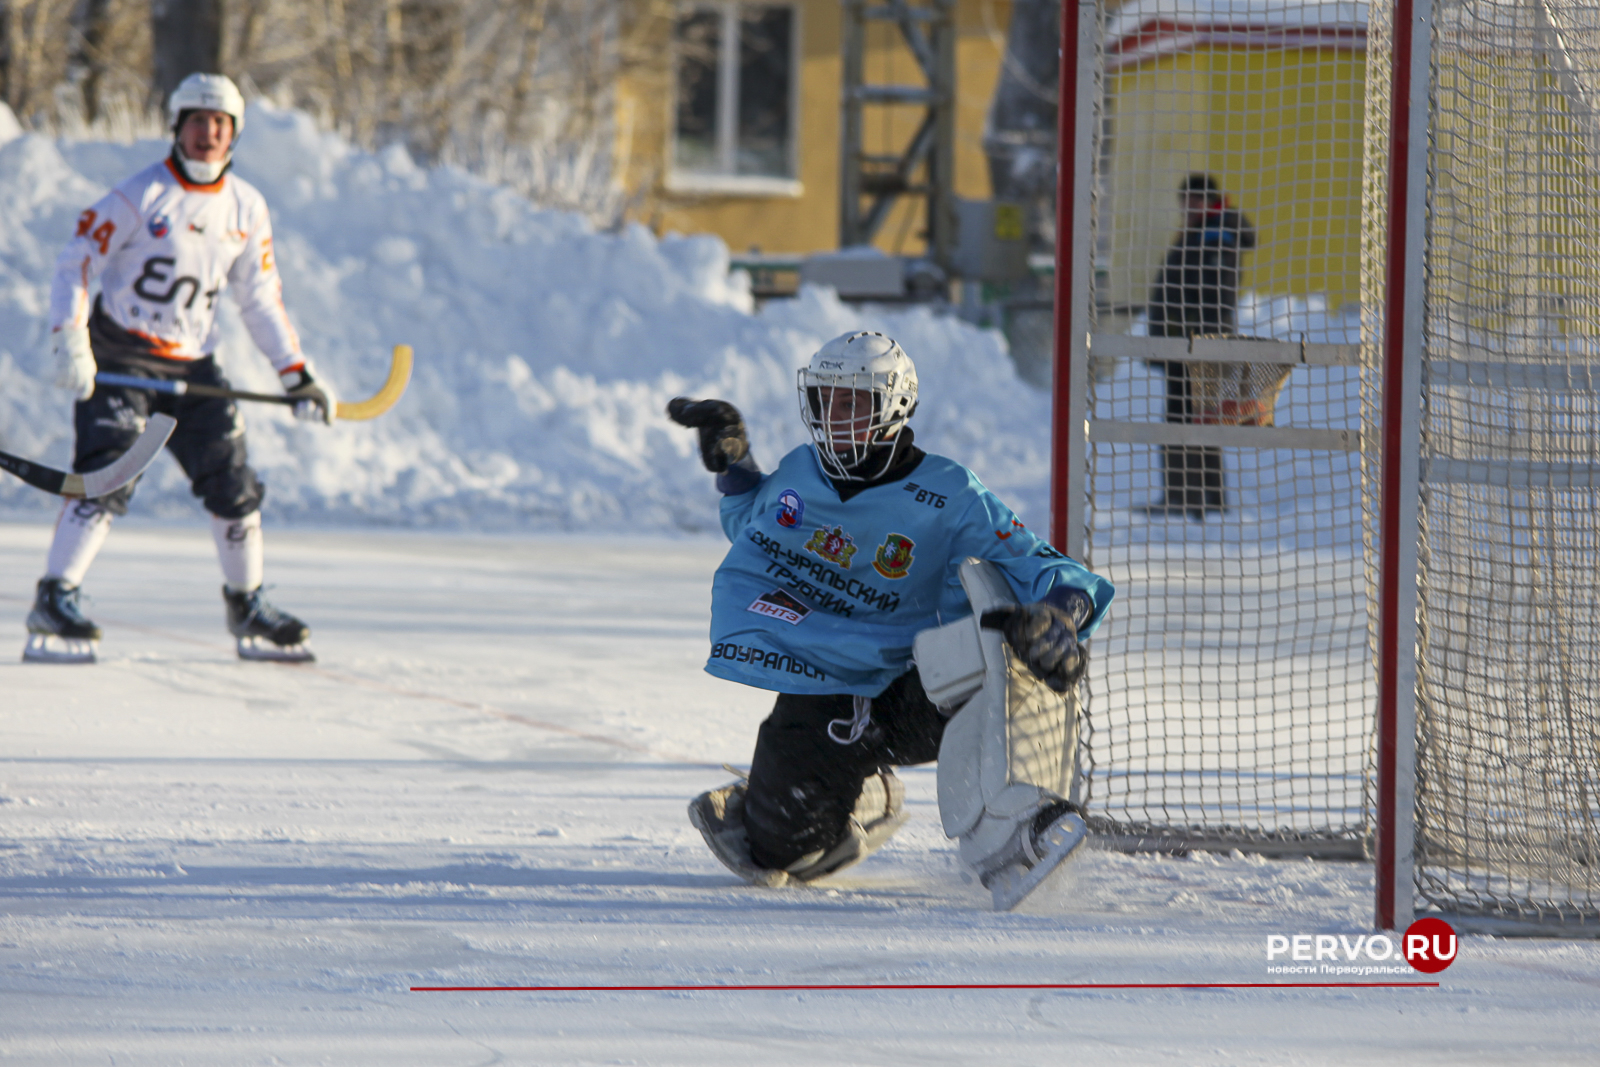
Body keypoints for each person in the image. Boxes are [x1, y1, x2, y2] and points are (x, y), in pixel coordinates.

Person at [668, 331, 1115, 909]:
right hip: (826, 686)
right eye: (828, 399)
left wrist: (1060, 617)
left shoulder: (950, 493)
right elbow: (754, 529)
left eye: (855, 401)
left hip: (918, 689)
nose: (837, 416)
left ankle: (1017, 827)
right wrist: (734, 463)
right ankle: (859, 798)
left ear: (895, 406)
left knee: (991, 646)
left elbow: (1042, 566)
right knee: (777, 852)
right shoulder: (800, 471)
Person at [24, 73, 335, 665]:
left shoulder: (246, 207)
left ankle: (247, 602)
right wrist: (71, 340)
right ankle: (55, 595)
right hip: (122, 359)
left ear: (235, 134)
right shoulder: (138, 198)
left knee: (233, 483)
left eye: (220, 125)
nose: (208, 134)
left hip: (195, 366)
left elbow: (259, 297)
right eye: (197, 121)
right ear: (176, 126)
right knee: (107, 475)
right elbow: (76, 264)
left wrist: (294, 374)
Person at [1145, 173, 1256, 518]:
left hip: (1198, 347)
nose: (1189, 207)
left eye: (1196, 201)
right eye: (1186, 201)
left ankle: (1189, 498)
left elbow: (1215, 296)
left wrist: (1188, 330)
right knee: (1194, 417)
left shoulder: (1217, 236)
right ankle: (1204, 497)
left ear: (1212, 201)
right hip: (1182, 345)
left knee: (1188, 419)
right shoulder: (1201, 234)